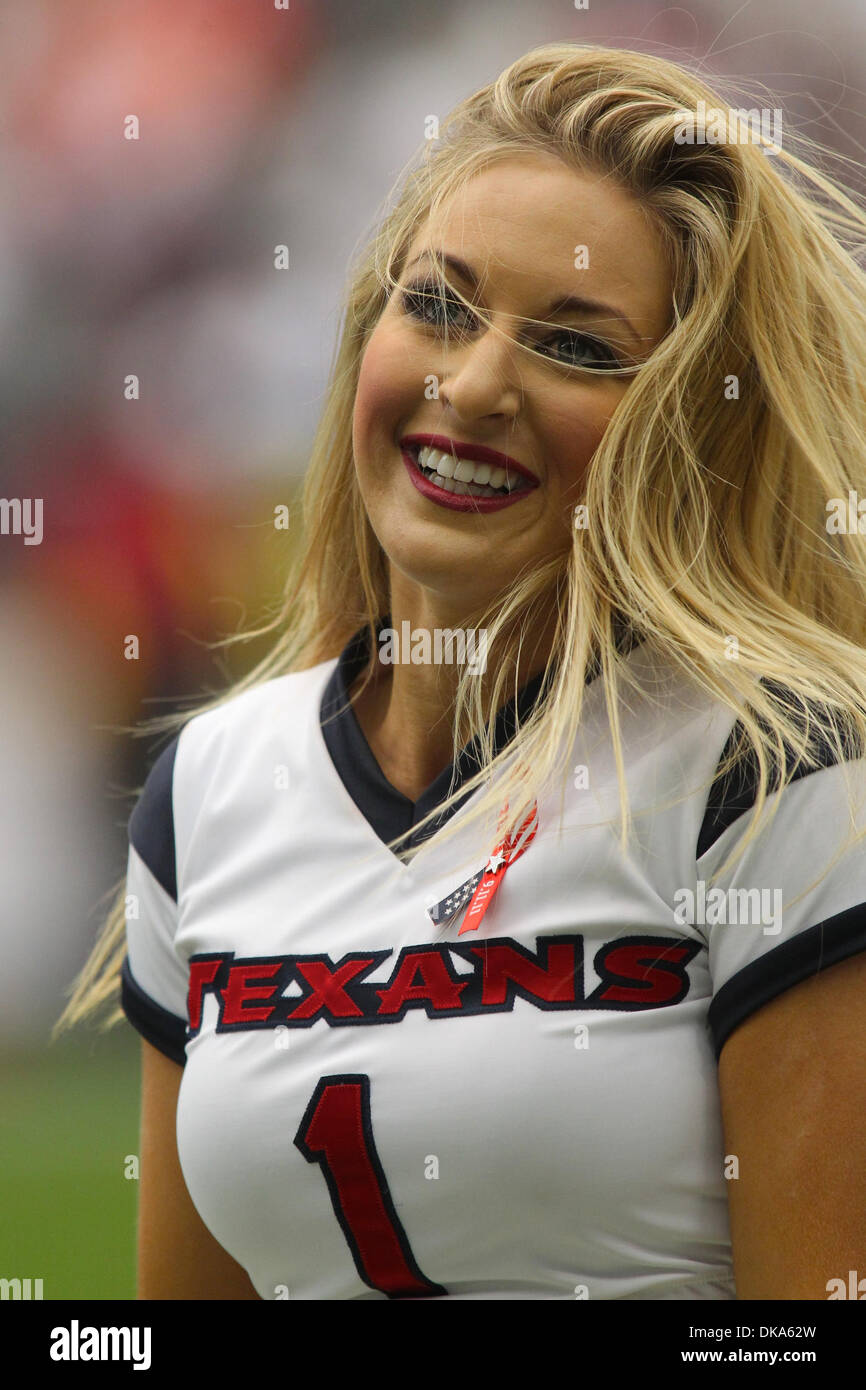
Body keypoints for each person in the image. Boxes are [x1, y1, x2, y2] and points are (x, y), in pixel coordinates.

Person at [56, 42, 866, 1300]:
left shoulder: (772, 767)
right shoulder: (215, 781)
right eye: (436, 304)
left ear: (685, 428)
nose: (474, 384)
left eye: (577, 348)